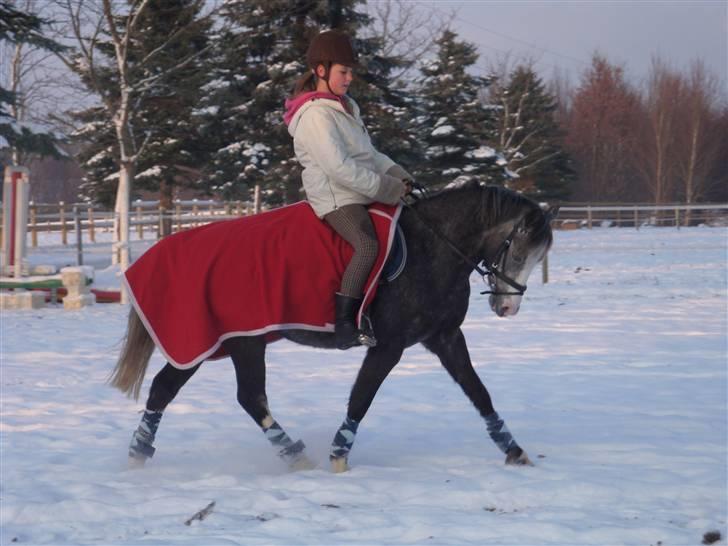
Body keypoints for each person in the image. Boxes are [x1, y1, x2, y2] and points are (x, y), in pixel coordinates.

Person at [284, 29, 413, 350]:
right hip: (336, 197)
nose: (349, 77)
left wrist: (398, 173)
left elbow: (368, 154)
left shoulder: (345, 106)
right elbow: (339, 168)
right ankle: (344, 323)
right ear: (321, 71)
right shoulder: (315, 115)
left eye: (351, 71)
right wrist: (386, 188)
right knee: (367, 245)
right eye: (344, 71)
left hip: (361, 189)